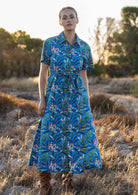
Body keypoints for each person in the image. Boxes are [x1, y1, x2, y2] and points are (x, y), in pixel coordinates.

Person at [28, 6, 102, 195]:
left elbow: (84, 76)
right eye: (64, 17)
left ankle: (67, 182)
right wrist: (42, 99)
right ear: (60, 22)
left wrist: (87, 100)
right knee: (47, 138)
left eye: (72, 17)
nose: (68, 20)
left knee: (72, 138)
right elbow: (42, 74)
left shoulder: (84, 47)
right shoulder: (50, 43)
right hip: (54, 97)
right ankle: (45, 185)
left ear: (77, 20)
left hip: (76, 98)